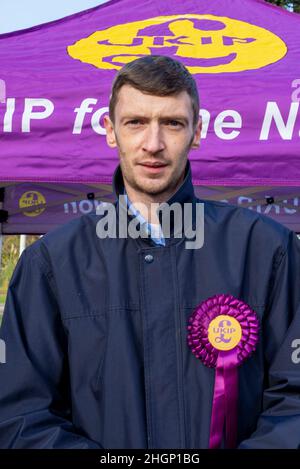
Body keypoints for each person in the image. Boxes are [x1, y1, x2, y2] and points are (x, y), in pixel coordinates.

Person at [1, 55, 300, 449]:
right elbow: (21, 417)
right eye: (136, 122)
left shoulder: (268, 250)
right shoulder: (51, 264)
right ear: (111, 131)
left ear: (197, 131)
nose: (153, 144)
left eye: (172, 123)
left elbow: (293, 403)